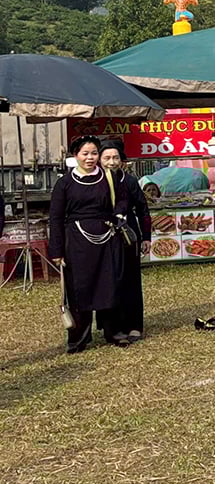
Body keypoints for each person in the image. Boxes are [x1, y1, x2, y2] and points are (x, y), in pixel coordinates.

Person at [48, 136, 129, 353]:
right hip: (77, 241)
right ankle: (78, 339)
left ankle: (114, 332)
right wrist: (56, 250)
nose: (90, 158)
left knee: (110, 284)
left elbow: (123, 199)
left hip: (106, 237)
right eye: (85, 154)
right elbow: (55, 218)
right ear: (76, 155)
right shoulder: (64, 183)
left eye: (94, 153)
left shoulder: (109, 177)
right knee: (79, 288)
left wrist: (119, 213)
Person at [99, 140, 152, 342]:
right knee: (109, 280)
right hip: (103, 236)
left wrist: (146, 237)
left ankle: (134, 325)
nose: (111, 162)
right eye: (107, 158)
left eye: (115, 158)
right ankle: (112, 326)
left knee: (131, 280)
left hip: (128, 234)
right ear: (100, 160)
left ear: (122, 160)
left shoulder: (129, 181)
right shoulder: (95, 181)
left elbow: (143, 210)